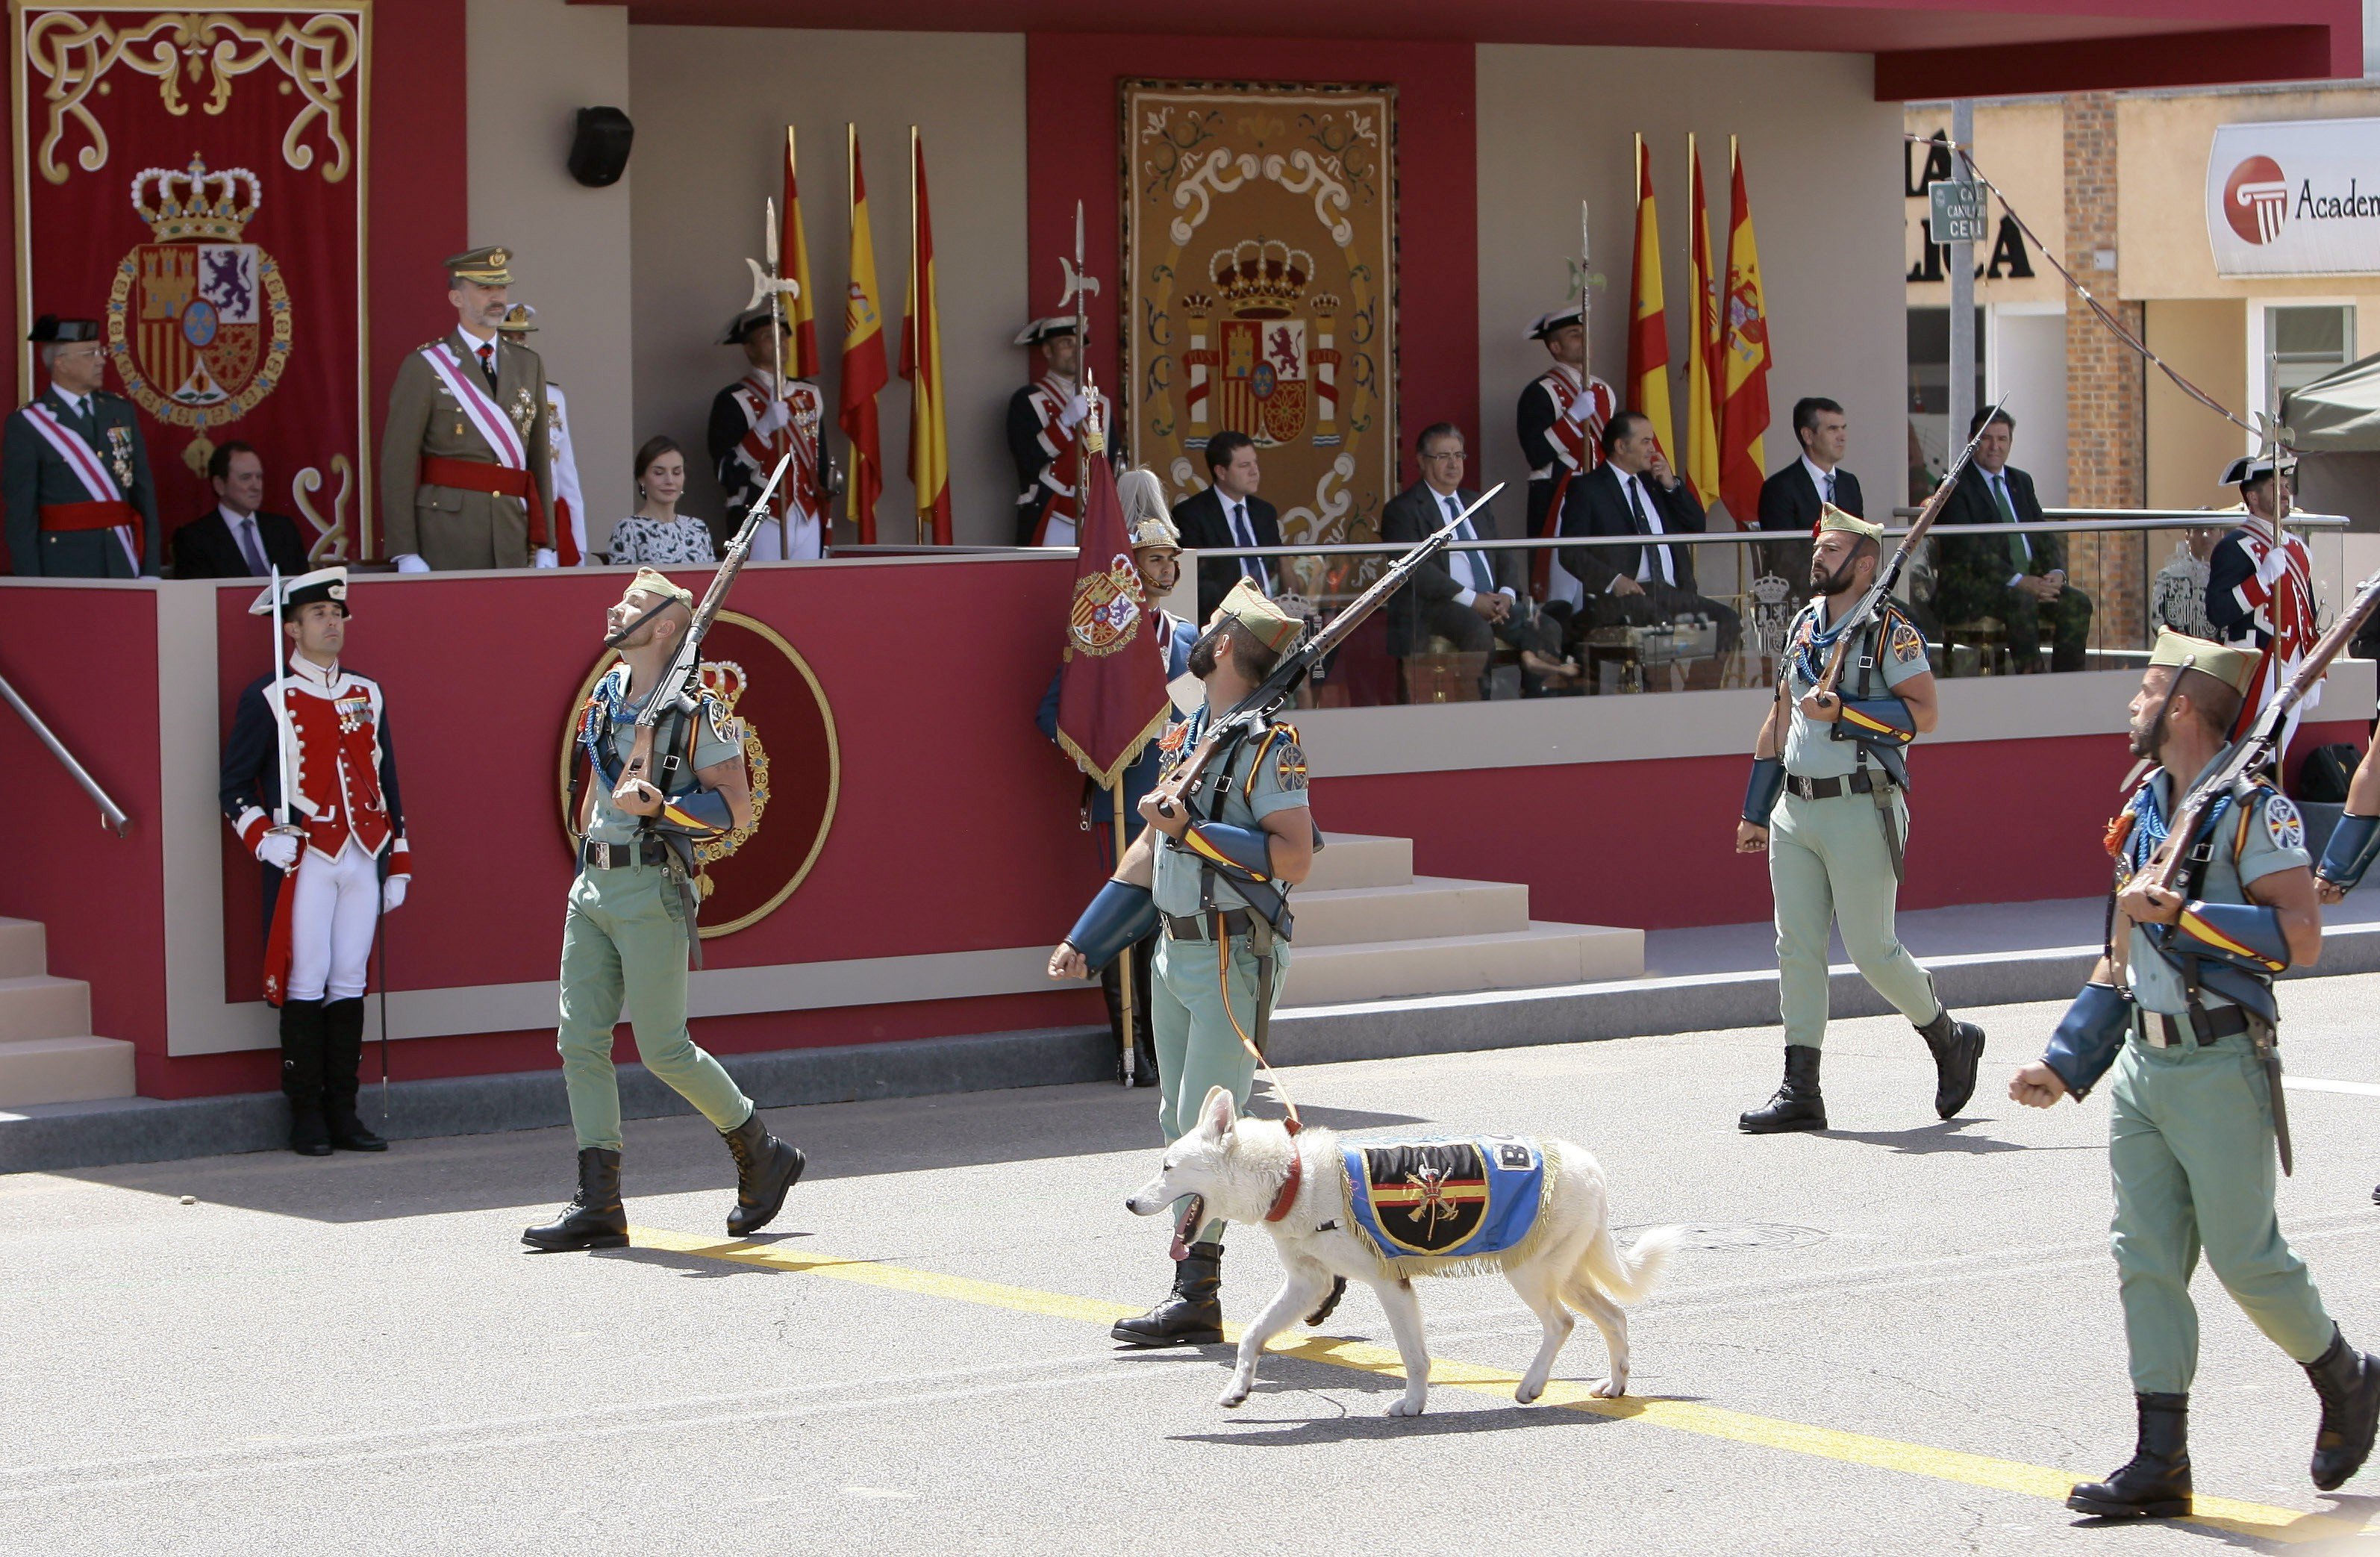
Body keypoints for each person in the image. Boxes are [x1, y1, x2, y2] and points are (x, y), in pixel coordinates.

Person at [2011, 631, 2380, 1519]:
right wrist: (2065, 1061)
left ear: (2182, 705)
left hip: (2222, 1061)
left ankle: (2347, 1375)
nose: (2131, 706)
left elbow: (2299, 937)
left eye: (2143, 691)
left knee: (2248, 1260)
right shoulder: (2147, 809)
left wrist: (2189, 910)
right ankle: (2160, 1458)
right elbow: (2119, 951)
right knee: (2143, 1256)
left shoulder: (2255, 812)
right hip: (2144, 1062)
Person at [1047, 578, 1316, 1347]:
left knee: (1209, 1133)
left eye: (1213, 626)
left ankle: (1196, 1291)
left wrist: (1193, 829)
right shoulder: (1193, 728)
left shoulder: (1268, 743)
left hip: (1235, 950)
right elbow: (1149, 845)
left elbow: (1294, 856)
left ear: (1225, 645)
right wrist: (1088, 936)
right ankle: (1309, 1258)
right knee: (1177, 1120)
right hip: (1176, 944)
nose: (1200, 634)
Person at [525, 568, 807, 1252]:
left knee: (663, 1048)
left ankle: (760, 1149)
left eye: (631, 603)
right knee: (579, 1043)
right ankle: (599, 1203)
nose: (613, 606)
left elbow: (737, 808)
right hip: (592, 887)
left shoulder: (695, 710)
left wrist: (665, 807)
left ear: (662, 628)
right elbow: (595, 784)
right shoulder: (608, 691)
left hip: (650, 889)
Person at [1734, 506, 1984, 1132]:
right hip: (1796, 810)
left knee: (1872, 950)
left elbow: (1923, 716)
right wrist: (1754, 809)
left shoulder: (1887, 632)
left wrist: (1843, 713)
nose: (1817, 557)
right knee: (1795, 947)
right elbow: (1779, 716)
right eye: (1818, 547)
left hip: (1860, 803)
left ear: (1865, 564)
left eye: (1832, 549)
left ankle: (1948, 1037)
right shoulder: (1802, 624)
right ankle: (1801, 1089)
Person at [218, 567, 409, 1155]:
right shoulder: (270, 696)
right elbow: (232, 785)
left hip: (363, 853)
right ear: (292, 628)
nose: (334, 623)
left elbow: (388, 782)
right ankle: (305, 1113)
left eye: (338, 614)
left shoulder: (367, 692)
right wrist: (260, 835)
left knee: (350, 977)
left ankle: (343, 1112)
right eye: (320, 615)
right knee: (307, 977)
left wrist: (398, 860)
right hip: (305, 856)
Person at [1034, 469, 1199, 1086]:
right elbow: (1055, 714)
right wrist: (1103, 751)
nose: (1164, 571)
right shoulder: (1102, 638)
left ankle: (1169, 1039)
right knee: (1125, 920)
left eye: (1169, 560)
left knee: (1174, 920)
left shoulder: (1186, 638)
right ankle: (1130, 1044)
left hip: (1181, 798)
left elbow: (1202, 713)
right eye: (1152, 560)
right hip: (1124, 797)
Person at [378, 246, 555, 572]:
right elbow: (397, 463)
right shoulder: (425, 366)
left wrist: (546, 544)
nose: (497, 297)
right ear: (456, 298)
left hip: (512, 530)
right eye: (484, 288)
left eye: (501, 287)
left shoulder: (528, 364)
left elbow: (540, 458)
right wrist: (405, 551)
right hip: (447, 532)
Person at [1380, 422, 1572, 695]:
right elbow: (1415, 570)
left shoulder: (1475, 502)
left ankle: (1539, 704)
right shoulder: (1403, 510)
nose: (1453, 464)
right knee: (1476, 628)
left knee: (1545, 626)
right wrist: (1472, 600)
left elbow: (1502, 555)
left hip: (1492, 600)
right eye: (1443, 456)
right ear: (1421, 461)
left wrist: (1506, 594)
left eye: (1458, 456)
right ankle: (1477, 709)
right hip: (1437, 606)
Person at [1554, 410, 1741, 669]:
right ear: (1621, 446)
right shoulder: (1588, 489)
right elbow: (1570, 553)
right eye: (1645, 441)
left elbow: (1695, 524)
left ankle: (1699, 695)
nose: (1653, 448)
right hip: (1621, 596)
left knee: (1728, 620)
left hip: (1668, 591)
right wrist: (1614, 581)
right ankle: (1658, 701)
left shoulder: (1653, 483)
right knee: (1659, 623)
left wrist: (1671, 486)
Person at [1935, 408, 2092, 673]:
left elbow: (2041, 534)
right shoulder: (1955, 485)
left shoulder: (2021, 480)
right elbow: (1967, 549)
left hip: (2029, 583)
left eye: (2003, 439)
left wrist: (2055, 573)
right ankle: (2032, 685)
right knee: (2021, 601)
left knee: (2077, 602)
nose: (1995, 446)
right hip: (1977, 589)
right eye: (1987, 439)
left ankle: (2067, 686)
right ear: (1972, 440)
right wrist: (2019, 581)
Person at [4, 314, 158, 578]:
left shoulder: (119, 411)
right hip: (64, 566)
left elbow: (144, 496)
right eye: (90, 353)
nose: (101, 360)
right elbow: (21, 518)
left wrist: (151, 569)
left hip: (122, 559)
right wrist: (31, 584)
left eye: (101, 351)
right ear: (61, 363)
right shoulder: (28, 424)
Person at [2207, 452, 2315, 749]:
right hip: (2257, 659)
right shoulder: (2234, 546)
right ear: (2252, 498)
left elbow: (2307, 612)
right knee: (2248, 750)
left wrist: (2316, 666)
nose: (2284, 492)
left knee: (2279, 746)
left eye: (2285, 485)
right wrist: (2262, 580)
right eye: (2274, 486)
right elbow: (2218, 612)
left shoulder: (2298, 548)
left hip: (2292, 662)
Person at [707, 305, 830, 561]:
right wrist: (762, 429)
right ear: (749, 348)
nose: (779, 342)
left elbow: (820, 462)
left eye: (783, 335)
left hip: (808, 514)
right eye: (767, 336)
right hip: (760, 514)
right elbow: (727, 473)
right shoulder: (732, 400)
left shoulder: (809, 394)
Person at [1515, 307, 1617, 614]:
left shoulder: (1604, 391)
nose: (1584, 338)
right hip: (1557, 495)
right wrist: (1573, 418)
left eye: (1585, 332)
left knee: (1599, 581)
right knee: (1558, 589)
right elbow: (1537, 453)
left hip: (1597, 495)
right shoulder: (1540, 392)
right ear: (1555, 347)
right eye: (1574, 334)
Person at [496, 305, 590, 566]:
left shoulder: (552, 398)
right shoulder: (485, 399)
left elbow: (566, 472)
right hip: (504, 521)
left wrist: (578, 543)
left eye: (522, 338)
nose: (518, 345)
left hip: (547, 526)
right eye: (508, 338)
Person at [1007, 316, 1111, 547]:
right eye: (1066, 343)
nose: (1075, 351)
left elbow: (1108, 462)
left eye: (1079, 344)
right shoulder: (1027, 400)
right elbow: (1028, 460)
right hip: (1049, 510)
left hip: (1094, 514)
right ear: (1047, 350)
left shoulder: (1101, 403)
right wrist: (1063, 423)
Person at [1172, 431, 1281, 625]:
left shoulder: (1265, 512)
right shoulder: (1191, 514)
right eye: (1244, 465)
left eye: (1255, 463)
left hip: (1272, 614)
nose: (1254, 471)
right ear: (1221, 472)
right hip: (1223, 619)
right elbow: (1196, 583)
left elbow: (1278, 566)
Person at [1755, 396, 1863, 585]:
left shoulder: (1849, 483)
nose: (1842, 437)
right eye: (1832, 429)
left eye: (1843, 428)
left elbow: (1860, 543)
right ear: (1808, 436)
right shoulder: (1779, 488)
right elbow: (1784, 557)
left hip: (1852, 592)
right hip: (1803, 592)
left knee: (1904, 614)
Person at [171, 441, 309, 579]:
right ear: (220, 485)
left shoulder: (284, 529)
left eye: (259, 477)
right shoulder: (194, 539)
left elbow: (304, 587)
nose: (256, 486)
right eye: (246, 478)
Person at [607, 437, 715, 566]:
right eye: (659, 473)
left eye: (676, 472)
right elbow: (623, 582)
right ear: (642, 478)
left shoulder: (698, 528)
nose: (669, 480)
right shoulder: (629, 529)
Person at [2149, 526, 2221, 640]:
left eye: (2211, 529)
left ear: (2221, 534)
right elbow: (2158, 622)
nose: (2206, 535)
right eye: (2199, 530)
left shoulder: (2230, 577)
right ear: (2187, 536)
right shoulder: (2168, 576)